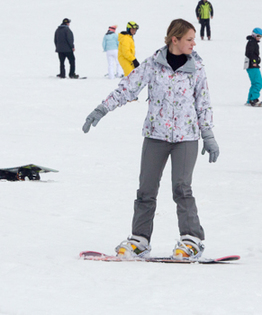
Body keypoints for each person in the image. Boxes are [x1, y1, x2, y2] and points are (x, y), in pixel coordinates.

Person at [82, 18, 219, 260]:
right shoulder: (153, 65)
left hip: (186, 138)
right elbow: (127, 88)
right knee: (146, 190)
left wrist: (207, 134)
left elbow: (203, 103)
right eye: (189, 39)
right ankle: (140, 240)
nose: (193, 44)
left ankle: (192, 239)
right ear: (174, 39)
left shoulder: (197, 68)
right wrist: (101, 109)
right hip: (155, 135)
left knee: (181, 188)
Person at [244, 28, 262, 107]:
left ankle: (250, 100)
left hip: (251, 65)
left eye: (261, 36)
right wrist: (254, 62)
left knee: (254, 83)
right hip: (252, 66)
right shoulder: (252, 43)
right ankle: (254, 99)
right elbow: (249, 53)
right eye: (258, 36)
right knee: (258, 83)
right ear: (254, 34)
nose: (259, 38)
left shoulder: (252, 42)